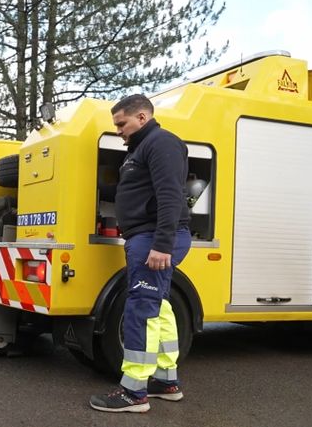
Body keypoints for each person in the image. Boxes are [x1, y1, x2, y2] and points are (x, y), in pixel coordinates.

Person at [90, 94, 192, 413]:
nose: (118, 130)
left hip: (155, 238)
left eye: (122, 123)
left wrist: (162, 243)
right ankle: (165, 381)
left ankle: (134, 392)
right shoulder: (140, 148)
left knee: (140, 309)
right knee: (157, 307)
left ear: (142, 118)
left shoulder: (161, 143)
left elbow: (171, 194)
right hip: (147, 236)